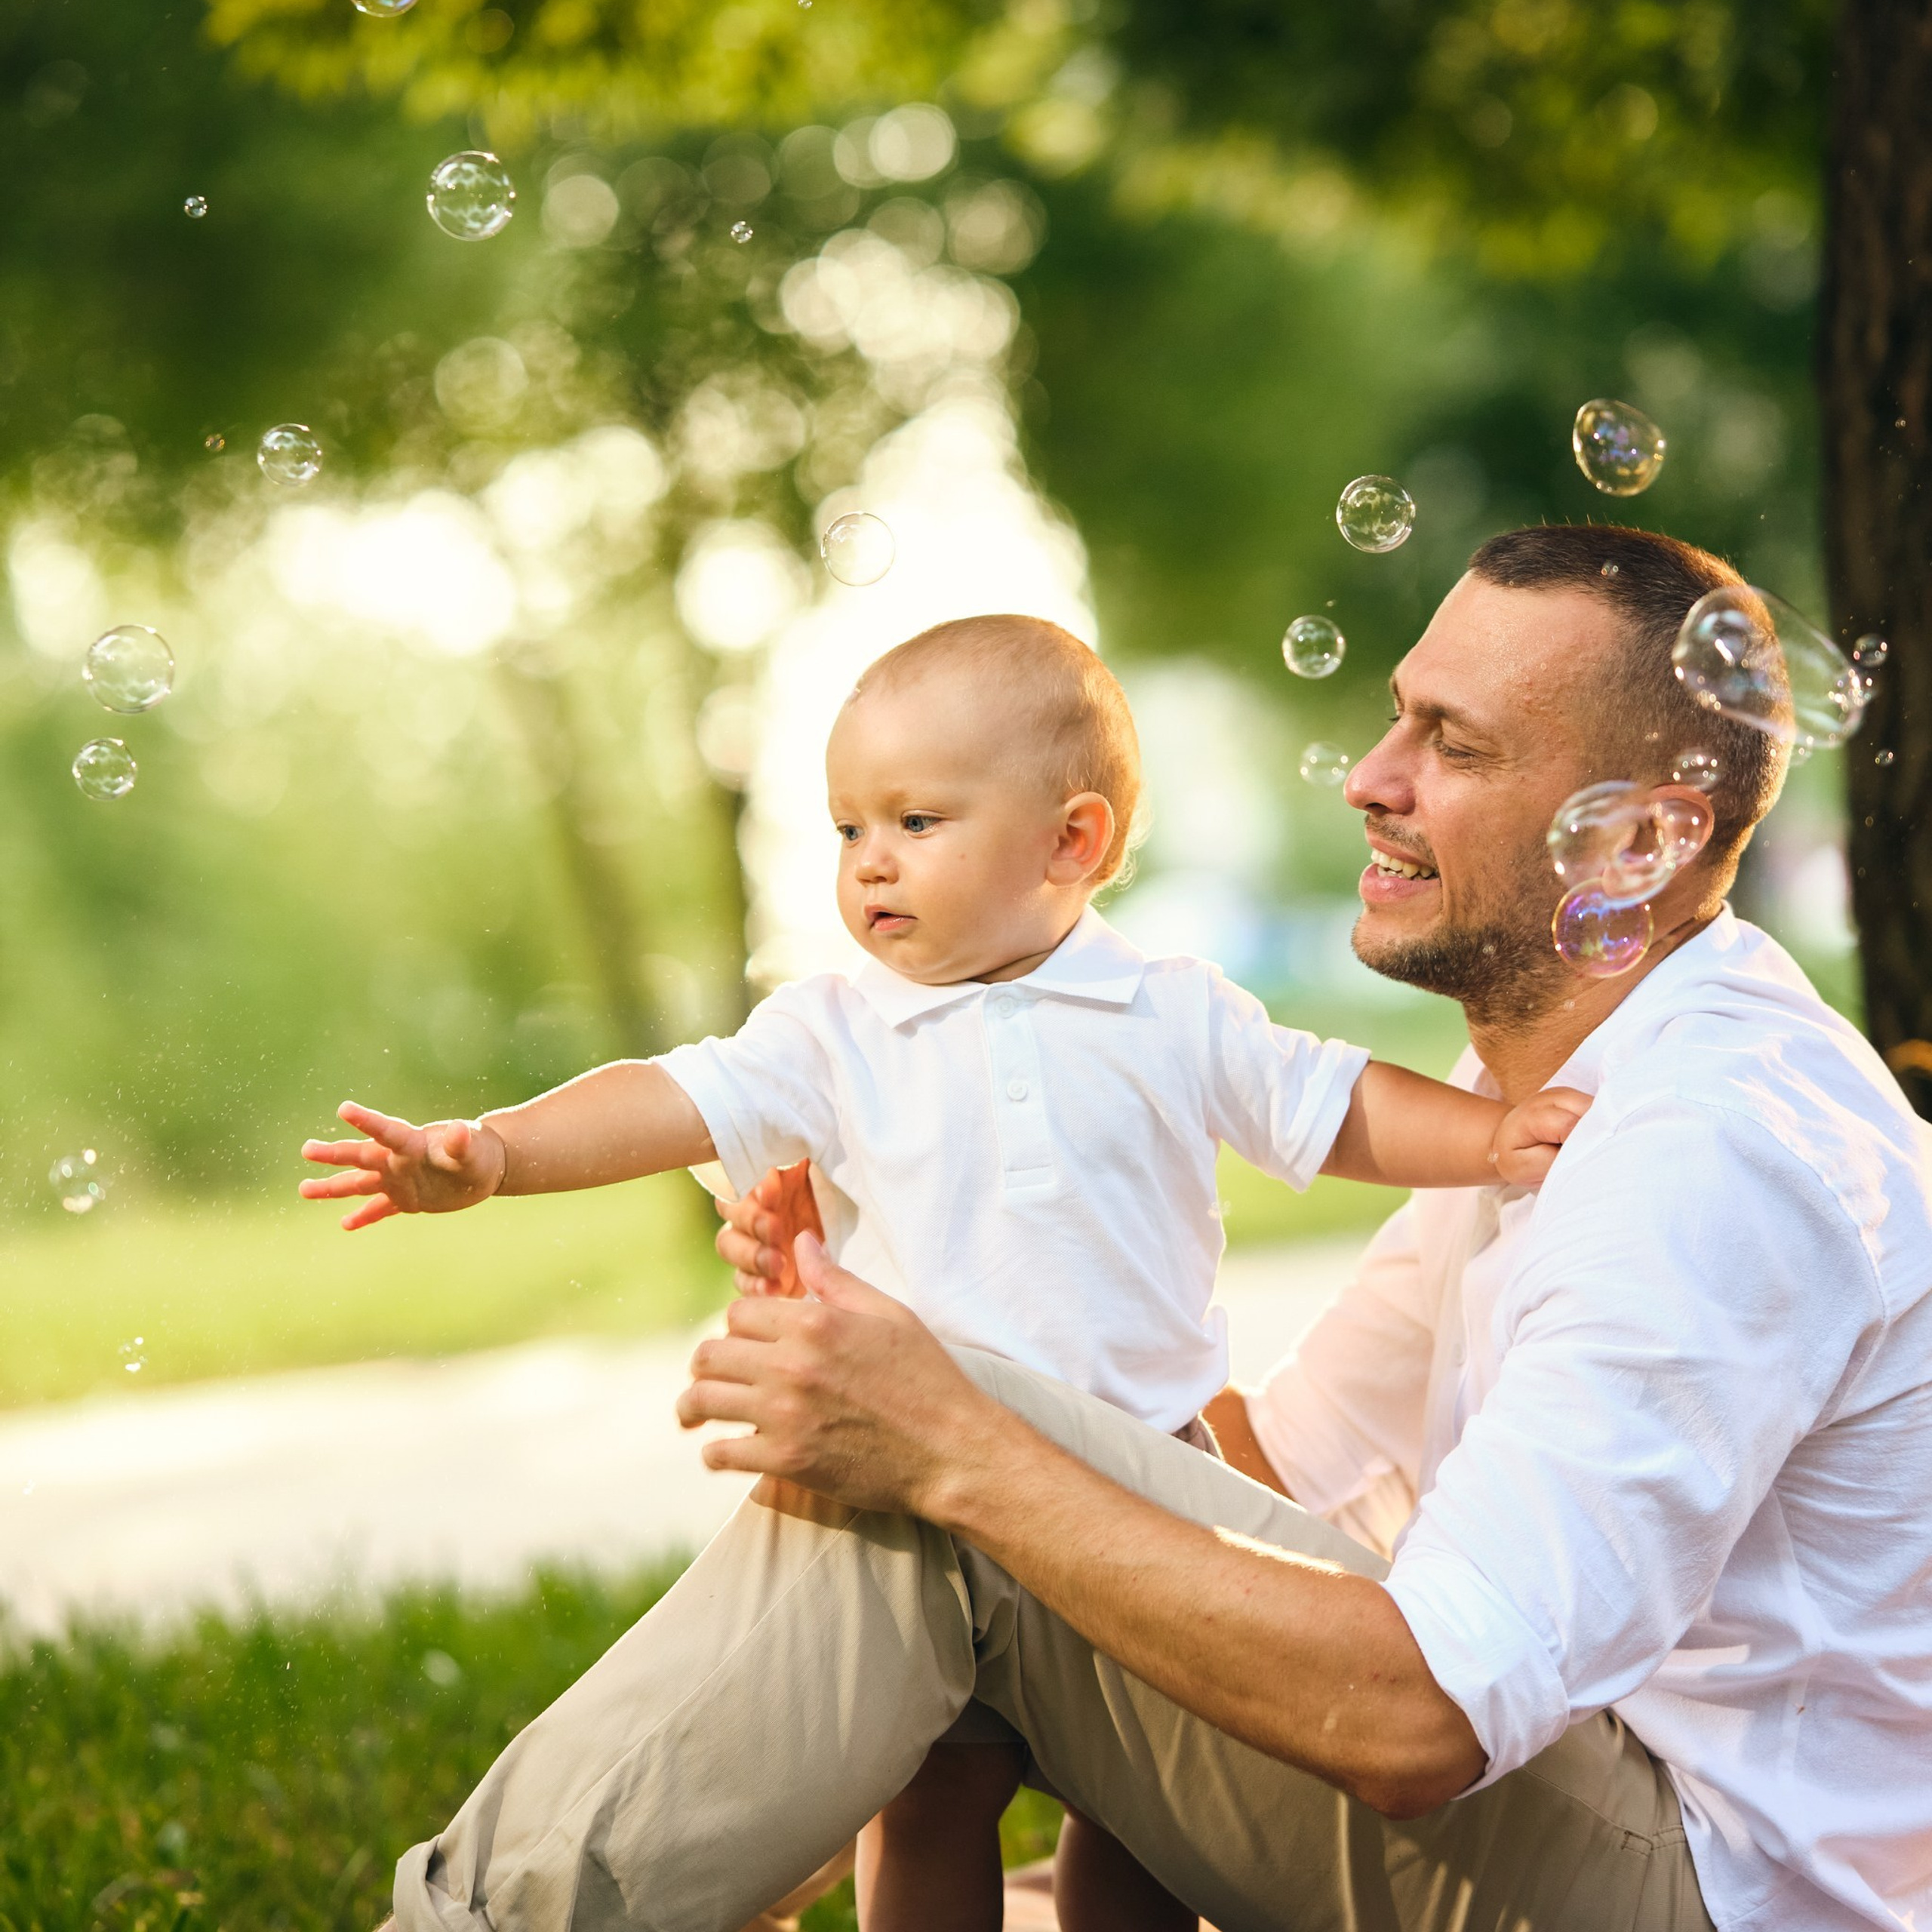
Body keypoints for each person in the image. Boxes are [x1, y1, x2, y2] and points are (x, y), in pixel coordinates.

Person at [380, 525, 1931, 1932]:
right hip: (1599, 1818)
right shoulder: (1552, 1097)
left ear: (1639, 845)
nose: (1368, 776)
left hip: (1699, 1885)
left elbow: (1419, 1718)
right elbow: (1255, 1469)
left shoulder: (1701, 1150)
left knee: (963, 1443)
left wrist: (943, 1433)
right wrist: (923, 1331)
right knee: (973, 1434)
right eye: (1396, 712)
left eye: (1448, 742)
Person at [302, 615, 1586, 1932]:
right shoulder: (833, 1030)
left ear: (1071, 842)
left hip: (1144, 1486)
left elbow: (1335, 1109)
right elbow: (672, 1098)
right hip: (920, 1508)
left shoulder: (1171, 1009)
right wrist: (499, 1152)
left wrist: (1489, 1136)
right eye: (848, 830)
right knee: (922, 1803)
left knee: (1147, 1827)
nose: (869, 867)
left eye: (915, 822)